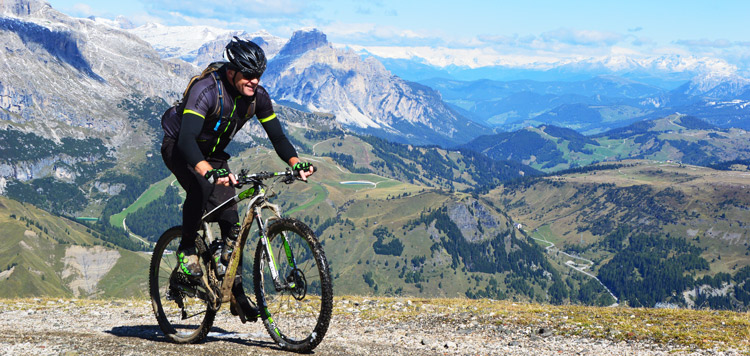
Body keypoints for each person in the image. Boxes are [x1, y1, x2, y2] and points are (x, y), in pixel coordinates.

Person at [160, 36, 314, 282]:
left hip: (214, 153)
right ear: (232, 72)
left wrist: (295, 163)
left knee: (231, 222)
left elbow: (278, 137)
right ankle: (187, 248)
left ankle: (236, 294)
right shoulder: (207, 91)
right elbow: (186, 140)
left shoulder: (257, 97)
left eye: (258, 75)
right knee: (199, 190)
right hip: (179, 147)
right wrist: (207, 171)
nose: (254, 81)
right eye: (248, 75)